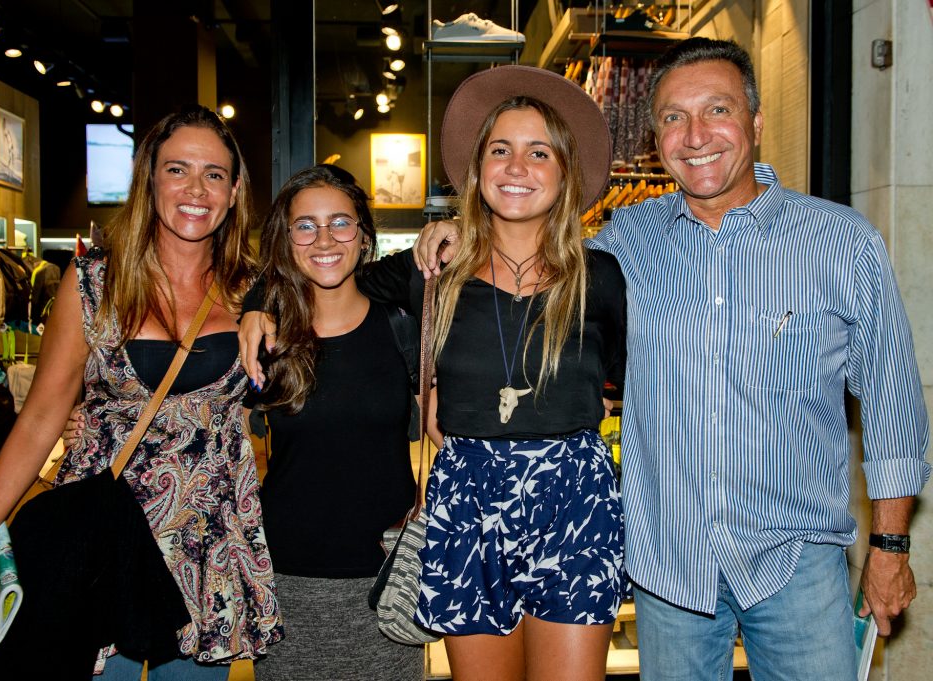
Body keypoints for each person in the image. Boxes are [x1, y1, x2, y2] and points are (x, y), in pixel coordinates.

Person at [414, 38, 930, 681]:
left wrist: (890, 546)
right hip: (669, 569)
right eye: (673, 118)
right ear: (655, 138)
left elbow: (893, 406)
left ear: (756, 121)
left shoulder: (840, 241)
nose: (695, 136)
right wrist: (462, 234)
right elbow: (531, 256)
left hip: (797, 563)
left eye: (717, 110)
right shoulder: (625, 244)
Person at [243, 65, 628, 681]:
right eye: (500, 150)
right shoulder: (434, 274)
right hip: (466, 503)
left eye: (539, 152)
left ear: (564, 172)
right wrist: (255, 307)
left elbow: (637, 393)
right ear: (477, 170)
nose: (517, 166)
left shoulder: (601, 276)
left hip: (573, 503)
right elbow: (320, 264)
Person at [0, 105, 283, 679]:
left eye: (214, 175)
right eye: (177, 169)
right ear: (149, 178)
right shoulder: (91, 286)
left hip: (203, 556)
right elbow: (39, 419)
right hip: (98, 545)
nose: (195, 189)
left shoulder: (255, 290)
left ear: (234, 193)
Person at [65, 164, 426, 680]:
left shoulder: (404, 325)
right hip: (284, 580)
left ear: (364, 235)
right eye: (305, 225)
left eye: (340, 222)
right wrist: (91, 423)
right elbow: (192, 407)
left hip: (388, 580)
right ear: (285, 239)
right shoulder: (259, 338)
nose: (323, 238)